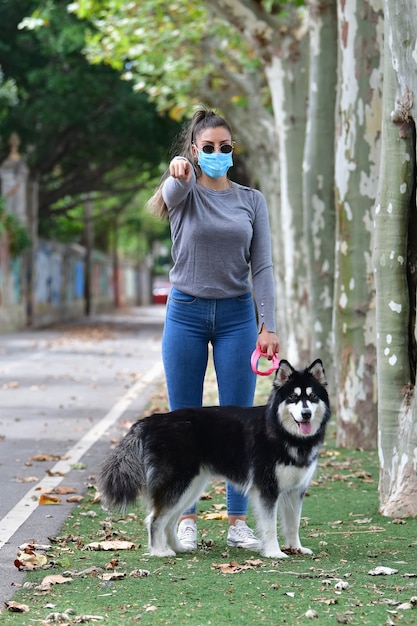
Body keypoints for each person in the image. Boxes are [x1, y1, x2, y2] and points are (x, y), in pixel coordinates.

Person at [147, 108, 279, 552]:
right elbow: (168, 192)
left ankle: (238, 521)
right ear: (193, 151)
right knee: (184, 421)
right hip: (184, 312)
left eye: (225, 147)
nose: (218, 153)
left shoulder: (251, 201)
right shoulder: (184, 191)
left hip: (237, 317)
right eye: (209, 148)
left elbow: (261, 267)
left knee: (240, 420)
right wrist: (175, 172)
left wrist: (269, 326)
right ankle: (185, 517)